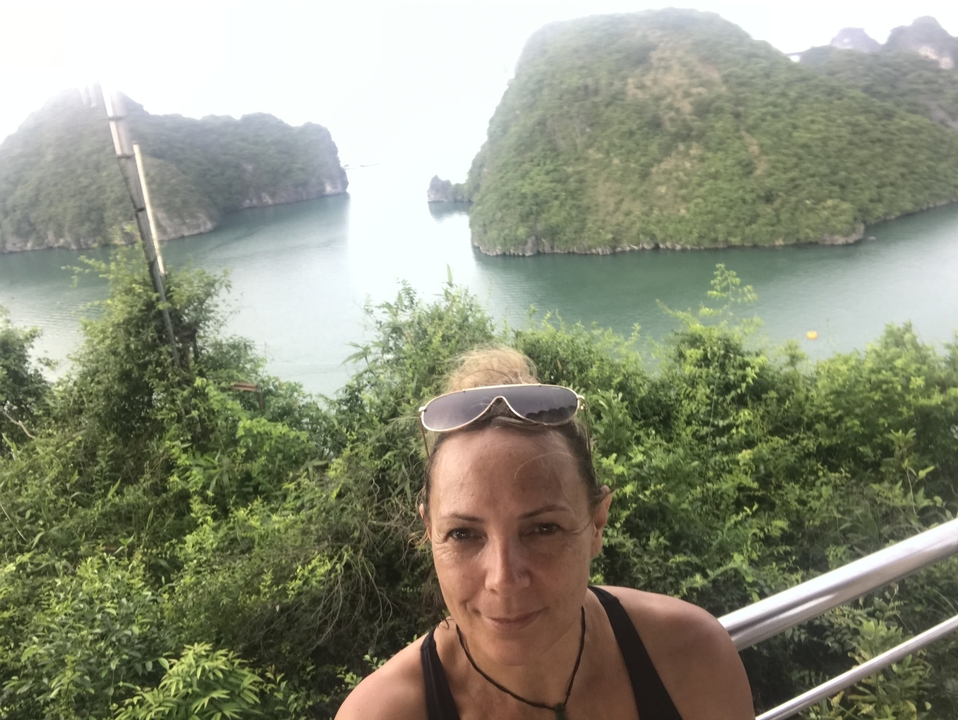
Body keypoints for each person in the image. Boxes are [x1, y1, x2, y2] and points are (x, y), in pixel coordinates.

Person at [336, 347, 754, 720]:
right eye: (464, 534)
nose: (503, 578)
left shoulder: (691, 655)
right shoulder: (381, 712)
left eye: (542, 529)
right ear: (430, 534)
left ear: (596, 524)